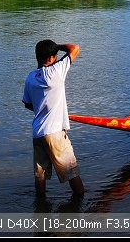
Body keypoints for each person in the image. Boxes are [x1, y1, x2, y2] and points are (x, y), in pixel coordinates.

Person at [22, 40, 84, 197]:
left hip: (38, 133)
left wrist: (44, 106)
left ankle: (41, 206)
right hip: (55, 133)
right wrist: (58, 46)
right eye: (55, 56)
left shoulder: (30, 78)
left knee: (40, 174)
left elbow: (28, 105)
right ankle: (81, 205)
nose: (56, 59)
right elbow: (75, 48)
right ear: (50, 58)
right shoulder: (56, 71)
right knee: (71, 172)